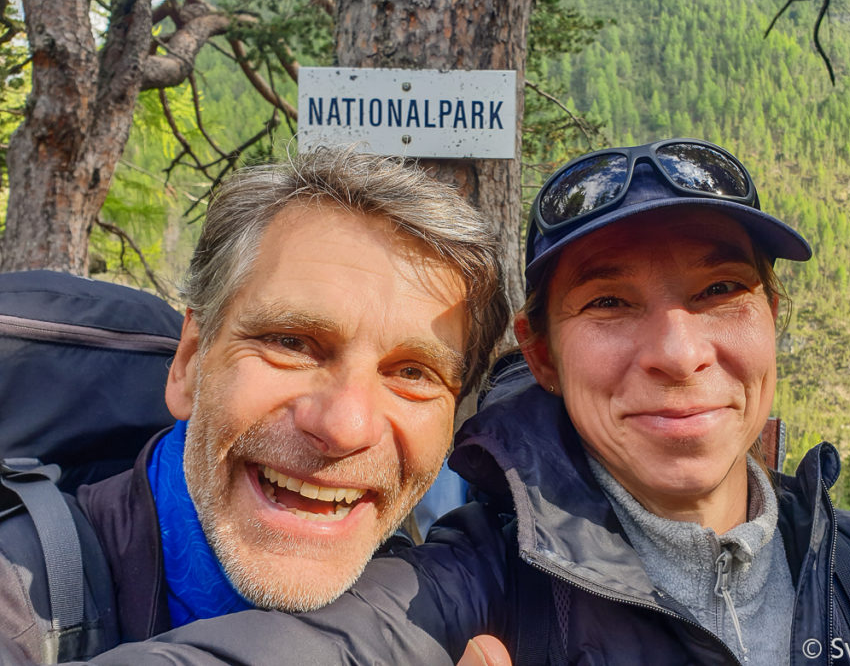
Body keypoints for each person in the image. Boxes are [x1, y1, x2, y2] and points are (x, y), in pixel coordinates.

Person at [12, 138, 850, 664]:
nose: (676, 351)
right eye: (610, 303)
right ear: (537, 353)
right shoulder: (480, 583)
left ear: (771, 318)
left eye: (721, 291)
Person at [0, 147, 509, 662]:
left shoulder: (449, 602)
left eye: (412, 373)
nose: (346, 426)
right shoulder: (15, 595)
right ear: (191, 362)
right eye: (291, 342)